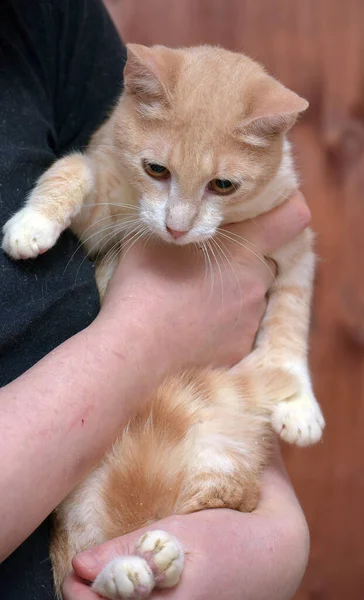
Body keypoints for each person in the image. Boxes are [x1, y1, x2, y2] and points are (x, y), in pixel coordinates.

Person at [0, 0, 310, 598]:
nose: (177, 222)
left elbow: (230, 339)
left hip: (186, 476)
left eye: (219, 185)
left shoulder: (44, 18)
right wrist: (143, 339)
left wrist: (277, 540)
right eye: (159, 172)